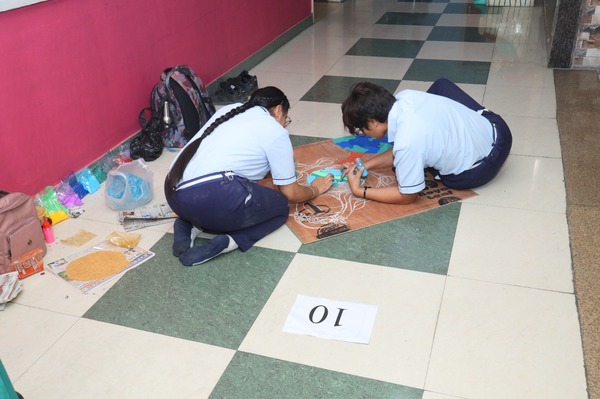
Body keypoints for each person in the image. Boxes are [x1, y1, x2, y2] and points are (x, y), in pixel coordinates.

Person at [164, 86, 334, 266]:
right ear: (278, 110)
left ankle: (187, 225)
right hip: (211, 200)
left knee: (221, 202)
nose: (284, 124)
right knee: (280, 206)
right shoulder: (275, 131)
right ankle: (230, 241)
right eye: (286, 118)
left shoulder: (229, 110)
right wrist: (315, 189)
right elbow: (291, 193)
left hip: (174, 194)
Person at [340, 78, 512, 204]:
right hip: (500, 129)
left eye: (361, 129)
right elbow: (404, 147)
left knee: (418, 152)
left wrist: (359, 190)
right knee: (441, 86)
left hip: (479, 170)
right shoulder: (406, 96)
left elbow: (407, 196)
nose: (363, 133)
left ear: (372, 122)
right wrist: (364, 165)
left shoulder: (407, 142)